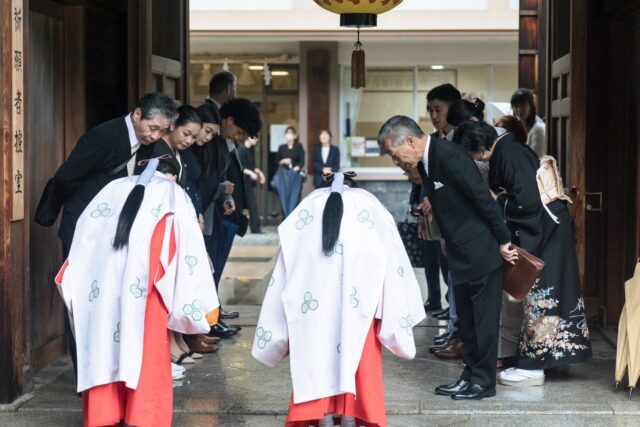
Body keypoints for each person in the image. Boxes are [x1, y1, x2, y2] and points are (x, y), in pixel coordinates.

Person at [252, 172, 426, 426]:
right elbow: (393, 259)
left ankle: (321, 416)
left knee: (315, 355)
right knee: (358, 358)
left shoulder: (307, 208)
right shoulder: (370, 206)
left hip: (312, 302)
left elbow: (285, 261)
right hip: (361, 302)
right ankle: (350, 416)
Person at [55, 158, 219, 427]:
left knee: (103, 349)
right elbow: (187, 248)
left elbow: (84, 239)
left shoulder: (111, 189)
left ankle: (102, 414)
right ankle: (144, 417)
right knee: (146, 354)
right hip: (149, 290)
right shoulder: (172, 195)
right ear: (172, 176)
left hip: (102, 287)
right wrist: (201, 304)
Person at [378, 115, 516, 401]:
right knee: (466, 323)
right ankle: (469, 376)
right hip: (459, 251)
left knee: (483, 322)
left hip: (479, 250)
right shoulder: (426, 161)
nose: (396, 161)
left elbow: (482, 199)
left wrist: (504, 240)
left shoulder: (449, 157)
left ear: (411, 141)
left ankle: (483, 382)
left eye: (395, 154)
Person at [454, 121, 592, 386]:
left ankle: (533, 366)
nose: (473, 159)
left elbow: (526, 202)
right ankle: (541, 358)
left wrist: (499, 204)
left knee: (541, 294)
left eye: (470, 153)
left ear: (478, 147)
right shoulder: (510, 148)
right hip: (549, 224)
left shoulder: (508, 154)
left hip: (543, 226)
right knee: (549, 292)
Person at [49, 91, 177, 377]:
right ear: (136, 115)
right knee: (81, 296)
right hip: (83, 226)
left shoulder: (150, 144)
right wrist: (87, 208)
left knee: (109, 295)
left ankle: (111, 366)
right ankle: (85, 372)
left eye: (161, 131)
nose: (155, 135)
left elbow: (169, 166)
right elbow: (67, 176)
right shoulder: (104, 136)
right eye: (152, 127)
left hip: (116, 230)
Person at [423, 84, 461, 356]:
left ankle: (459, 333)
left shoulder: (461, 138)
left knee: (458, 276)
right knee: (450, 272)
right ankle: (453, 330)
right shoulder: (437, 139)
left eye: (439, 109)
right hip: (444, 217)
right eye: (430, 110)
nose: (434, 116)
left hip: (460, 218)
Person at [273, 126, 306, 217]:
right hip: (284, 177)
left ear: (295, 136)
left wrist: (297, 167)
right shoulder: (281, 147)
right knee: (284, 199)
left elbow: (302, 162)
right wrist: (283, 161)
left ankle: (293, 224)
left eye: (291, 133)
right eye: (287, 133)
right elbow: (276, 161)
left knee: (294, 199)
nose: (289, 135)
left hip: (295, 176)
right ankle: (285, 223)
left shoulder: (299, 147)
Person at [238, 136, 266, 234]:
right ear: (248, 137)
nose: (256, 140)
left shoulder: (252, 149)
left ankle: (255, 228)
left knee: (252, 204)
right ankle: (242, 228)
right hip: (241, 181)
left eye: (257, 138)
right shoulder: (241, 149)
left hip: (249, 181)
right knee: (241, 204)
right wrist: (251, 173)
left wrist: (260, 173)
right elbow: (240, 167)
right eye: (254, 138)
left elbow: (253, 166)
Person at [511, 88, 546, 157]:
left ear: (531, 106)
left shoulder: (539, 129)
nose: (519, 110)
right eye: (516, 106)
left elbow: (536, 159)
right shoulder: (517, 128)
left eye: (523, 105)